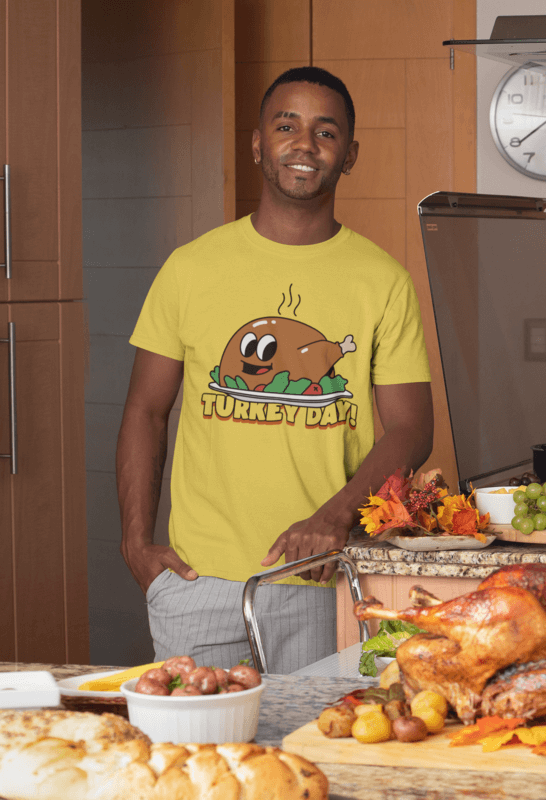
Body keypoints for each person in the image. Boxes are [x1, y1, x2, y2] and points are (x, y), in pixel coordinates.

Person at [116, 66, 433, 673]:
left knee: (323, 759)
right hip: (199, 583)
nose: (304, 145)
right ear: (259, 143)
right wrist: (134, 543)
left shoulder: (381, 280)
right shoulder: (191, 268)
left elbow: (412, 427)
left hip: (328, 580)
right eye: (286, 126)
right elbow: (144, 410)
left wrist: (334, 517)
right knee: (202, 759)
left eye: (326, 132)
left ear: (350, 155)